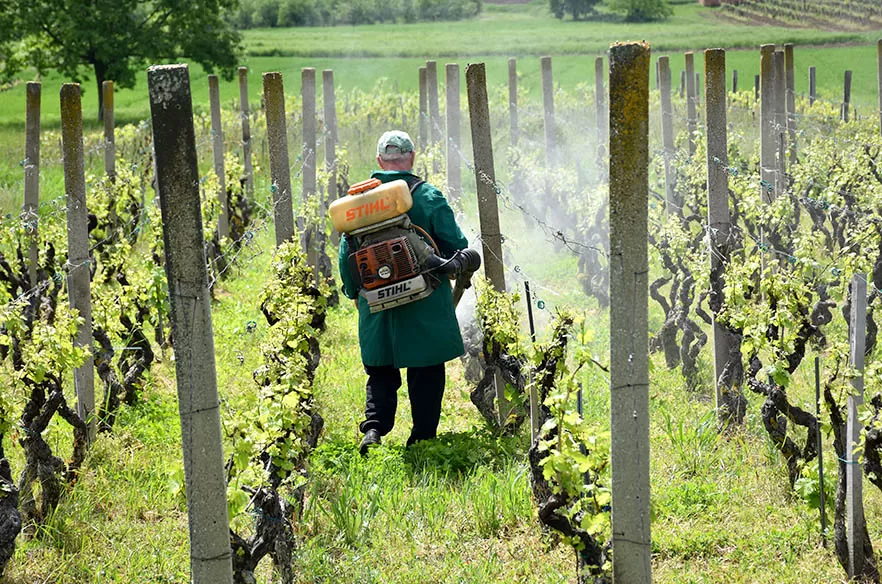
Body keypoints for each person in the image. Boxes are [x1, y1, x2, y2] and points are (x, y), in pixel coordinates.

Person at [338, 130, 469, 455]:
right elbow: (456, 247)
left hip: (377, 305)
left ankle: (373, 430)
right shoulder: (426, 196)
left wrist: (355, 293)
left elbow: (347, 260)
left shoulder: (356, 205)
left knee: (381, 371)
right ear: (411, 158)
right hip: (425, 303)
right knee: (426, 370)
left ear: (380, 161)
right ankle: (422, 439)